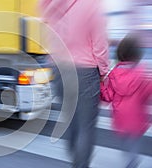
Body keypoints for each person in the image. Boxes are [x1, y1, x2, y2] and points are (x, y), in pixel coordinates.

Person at [38, 0, 109, 167]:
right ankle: (80, 164)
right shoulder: (92, 4)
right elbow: (100, 43)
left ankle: (75, 160)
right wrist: (104, 71)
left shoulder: (49, 3)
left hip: (58, 67)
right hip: (84, 70)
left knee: (70, 121)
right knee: (85, 126)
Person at [100, 34, 152, 167]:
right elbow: (147, 93)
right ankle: (132, 162)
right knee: (134, 144)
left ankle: (129, 160)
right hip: (137, 120)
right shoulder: (141, 74)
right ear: (137, 55)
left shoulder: (113, 75)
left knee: (125, 143)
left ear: (120, 54)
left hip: (120, 121)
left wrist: (101, 84)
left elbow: (107, 97)